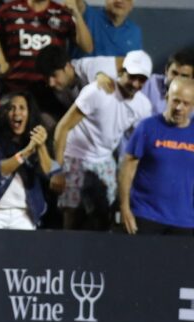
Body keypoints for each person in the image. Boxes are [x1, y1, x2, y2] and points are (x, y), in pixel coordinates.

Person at [51, 49, 151, 230]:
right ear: (122, 72)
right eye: (132, 76)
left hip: (104, 160)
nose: (136, 83)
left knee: (105, 216)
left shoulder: (143, 107)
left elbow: (138, 145)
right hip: (75, 156)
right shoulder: (97, 91)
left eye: (142, 79)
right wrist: (57, 170)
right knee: (70, 215)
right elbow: (63, 128)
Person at [118, 77, 194, 236]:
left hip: (184, 221)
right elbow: (128, 168)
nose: (179, 107)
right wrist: (124, 208)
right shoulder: (147, 126)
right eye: (175, 101)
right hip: (145, 215)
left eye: (186, 103)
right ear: (167, 98)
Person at [0, 92, 54, 229]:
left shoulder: (37, 139)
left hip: (23, 213)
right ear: (3, 113)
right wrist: (26, 152)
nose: (16, 113)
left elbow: (50, 174)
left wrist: (41, 146)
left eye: (21, 108)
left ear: (29, 113)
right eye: (11, 108)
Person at [0, 0, 91, 95]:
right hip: (14, 88)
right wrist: (0, 60)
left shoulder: (63, 13)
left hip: (50, 91)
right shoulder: (7, 10)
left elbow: (87, 47)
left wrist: (77, 14)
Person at [141, 49, 194, 117]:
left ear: (192, 78)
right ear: (166, 70)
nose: (177, 79)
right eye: (174, 73)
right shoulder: (150, 82)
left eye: (184, 76)